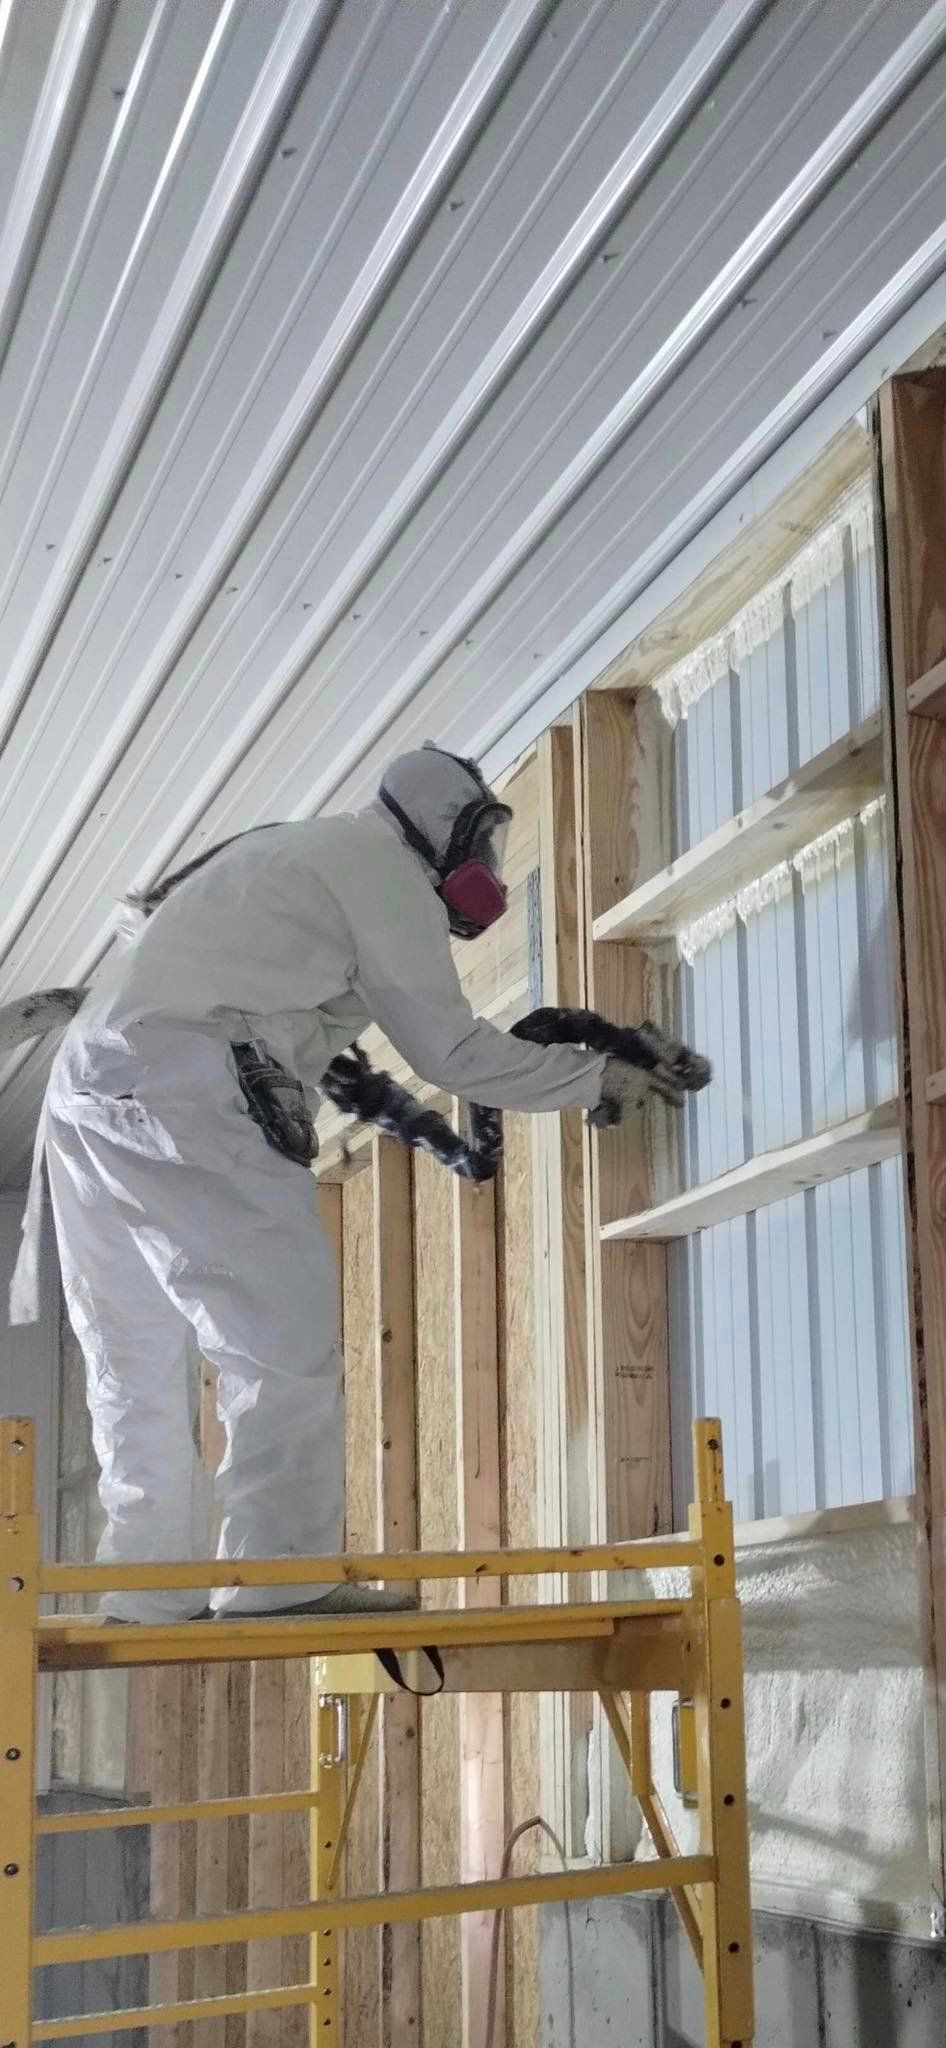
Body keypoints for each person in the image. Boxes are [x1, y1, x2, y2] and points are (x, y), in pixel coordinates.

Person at [10, 743, 708, 1624]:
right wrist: (597, 1076)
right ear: (444, 834)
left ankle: (147, 1586)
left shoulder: (294, 849)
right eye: (483, 842)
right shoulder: (382, 871)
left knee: (132, 1349)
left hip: (88, 1090)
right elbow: (450, 1051)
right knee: (278, 1340)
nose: (487, 871)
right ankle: (282, 1577)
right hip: (188, 1084)